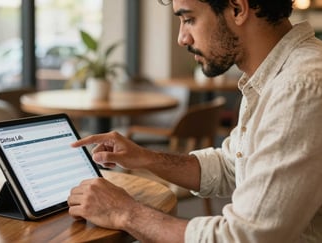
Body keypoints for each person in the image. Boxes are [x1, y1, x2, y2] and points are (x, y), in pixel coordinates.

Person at [67, 0, 322, 242]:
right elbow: (230, 166)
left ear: (237, 8)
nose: (182, 38)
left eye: (189, 19)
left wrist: (124, 212)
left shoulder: (298, 87)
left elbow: (244, 238)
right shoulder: (272, 78)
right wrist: (145, 157)